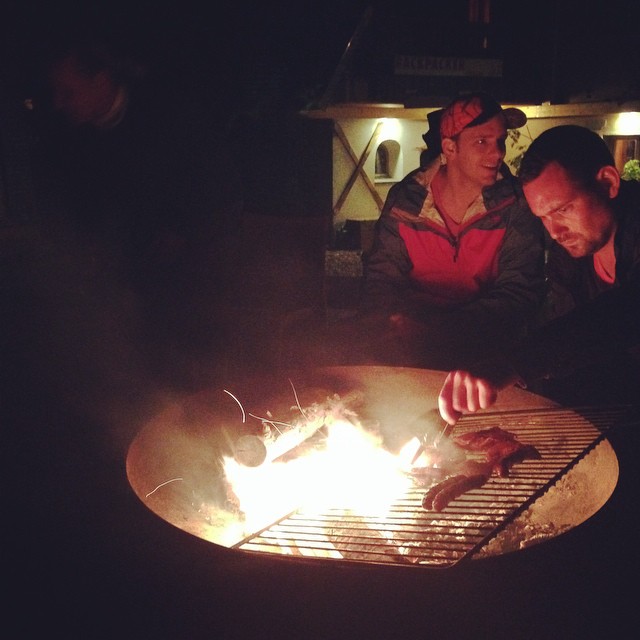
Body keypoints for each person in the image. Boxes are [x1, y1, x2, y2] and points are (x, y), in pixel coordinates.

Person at [29, 34, 244, 392]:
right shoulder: (71, 139)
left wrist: (180, 234)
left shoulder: (168, 116)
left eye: (68, 92)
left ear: (101, 80)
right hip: (125, 277)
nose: (59, 103)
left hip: (191, 276)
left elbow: (217, 188)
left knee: (187, 369)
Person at [438, 125, 640, 425]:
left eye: (563, 209)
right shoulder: (571, 252)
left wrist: (516, 364)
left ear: (608, 182)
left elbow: (622, 314)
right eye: (543, 217)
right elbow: (566, 334)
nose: (554, 231)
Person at [356, 91, 546, 369]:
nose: (498, 153)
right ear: (449, 148)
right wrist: (393, 326)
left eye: (500, 141)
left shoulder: (514, 204)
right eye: (482, 141)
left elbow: (519, 294)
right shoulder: (406, 202)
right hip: (411, 353)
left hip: (486, 355)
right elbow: (381, 279)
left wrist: (441, 330)